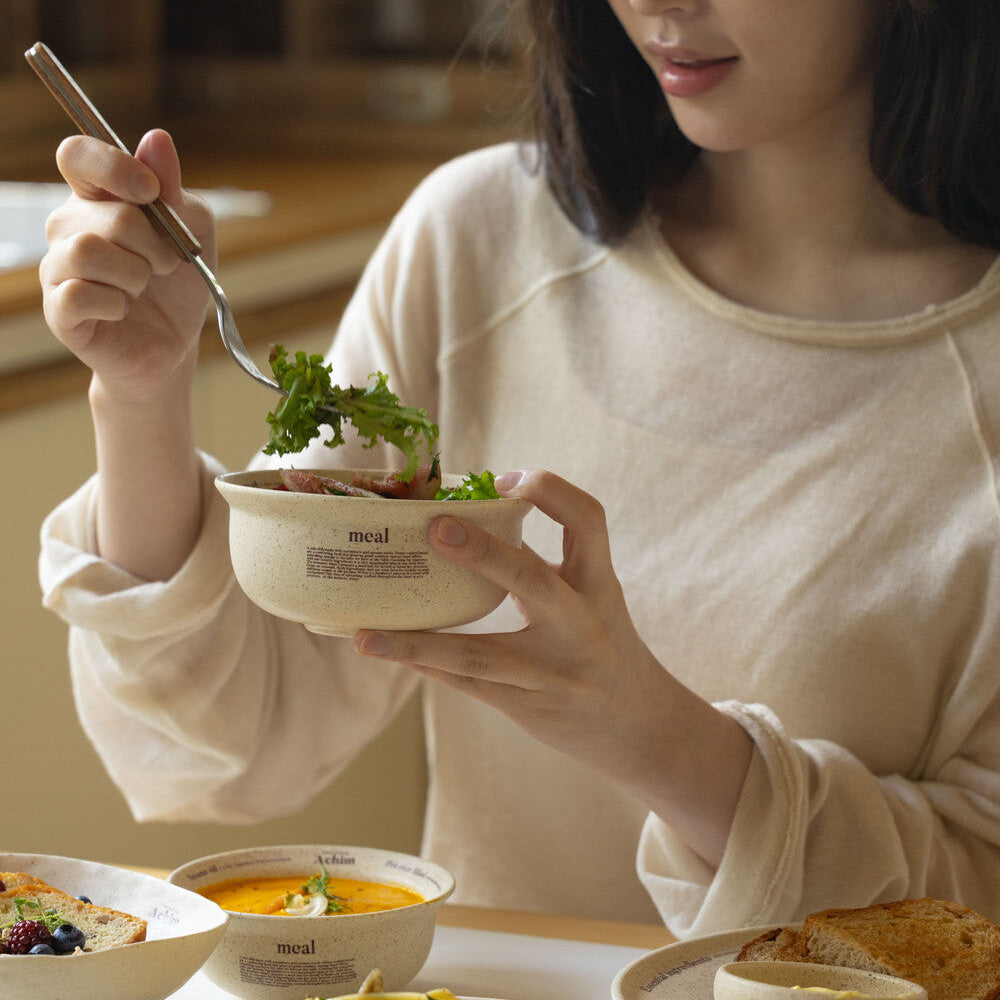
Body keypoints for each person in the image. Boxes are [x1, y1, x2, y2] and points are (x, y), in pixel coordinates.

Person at [37, 0, 1000, 937]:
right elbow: (236, 741)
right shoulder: (479, 238)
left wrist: (658, 738)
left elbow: (979, 907)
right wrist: (141, 397)